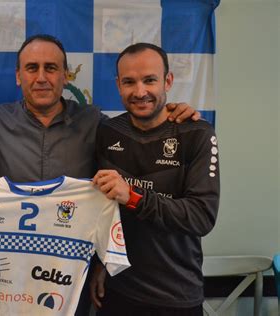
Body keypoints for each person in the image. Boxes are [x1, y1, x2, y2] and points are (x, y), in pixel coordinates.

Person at [0, 34, 200, 315]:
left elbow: (138, 127)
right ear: (18, 76)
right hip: (4, 277)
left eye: (51, 68)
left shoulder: (94, 123)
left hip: (70, 276)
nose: (41, 77)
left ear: (65, 76)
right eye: (32, 68)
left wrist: (172, 113)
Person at [91, 42, 220, 315]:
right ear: (118, 85)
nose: (140, 92)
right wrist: (101, 265)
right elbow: (103, 211)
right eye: (129, 82)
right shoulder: (107, 132)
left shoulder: (197, 133)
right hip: (117, 291)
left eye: (149, 80)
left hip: (176, 295)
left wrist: (134, 197)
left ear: (168, 81)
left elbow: (201, 217)